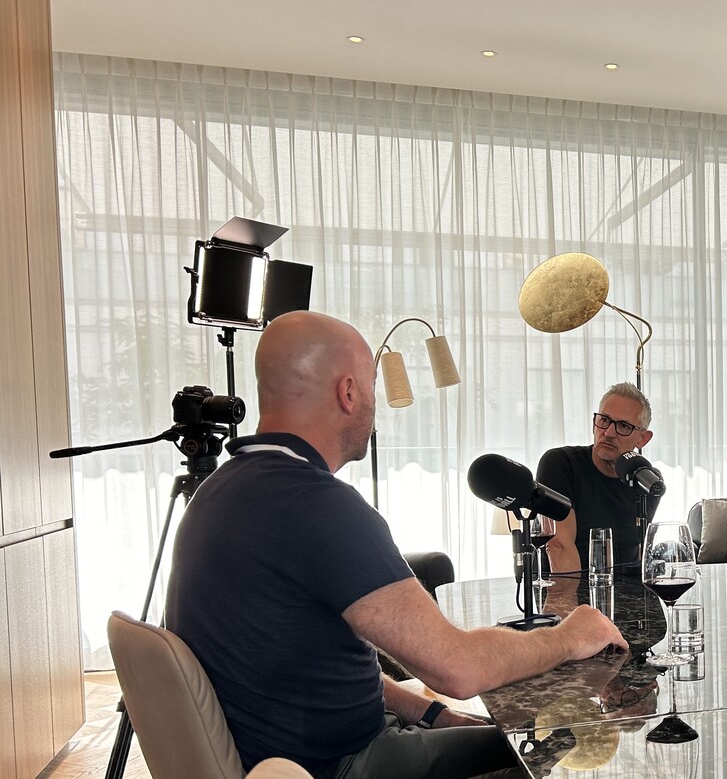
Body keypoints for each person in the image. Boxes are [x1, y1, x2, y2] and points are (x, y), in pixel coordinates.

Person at [166, 311, 626, 779]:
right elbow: (458, 670)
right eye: (370, 387)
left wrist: (429, 714)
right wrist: (570, 635)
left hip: (290, 752)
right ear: (348, 392)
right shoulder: (318, 505)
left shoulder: (220, 490)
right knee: (562, 753)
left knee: (521, 740)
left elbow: (308, 660)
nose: (372, 405)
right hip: (342, 764)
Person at [539, 383, 656, 574]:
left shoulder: (646, 479)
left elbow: (637, 551)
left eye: (623, 426)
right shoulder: (561, 464)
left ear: (642, 439)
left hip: (624, 596)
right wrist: (574, 605)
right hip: (565, 593)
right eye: (604, 420)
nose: (609, 433)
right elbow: (559, 546)